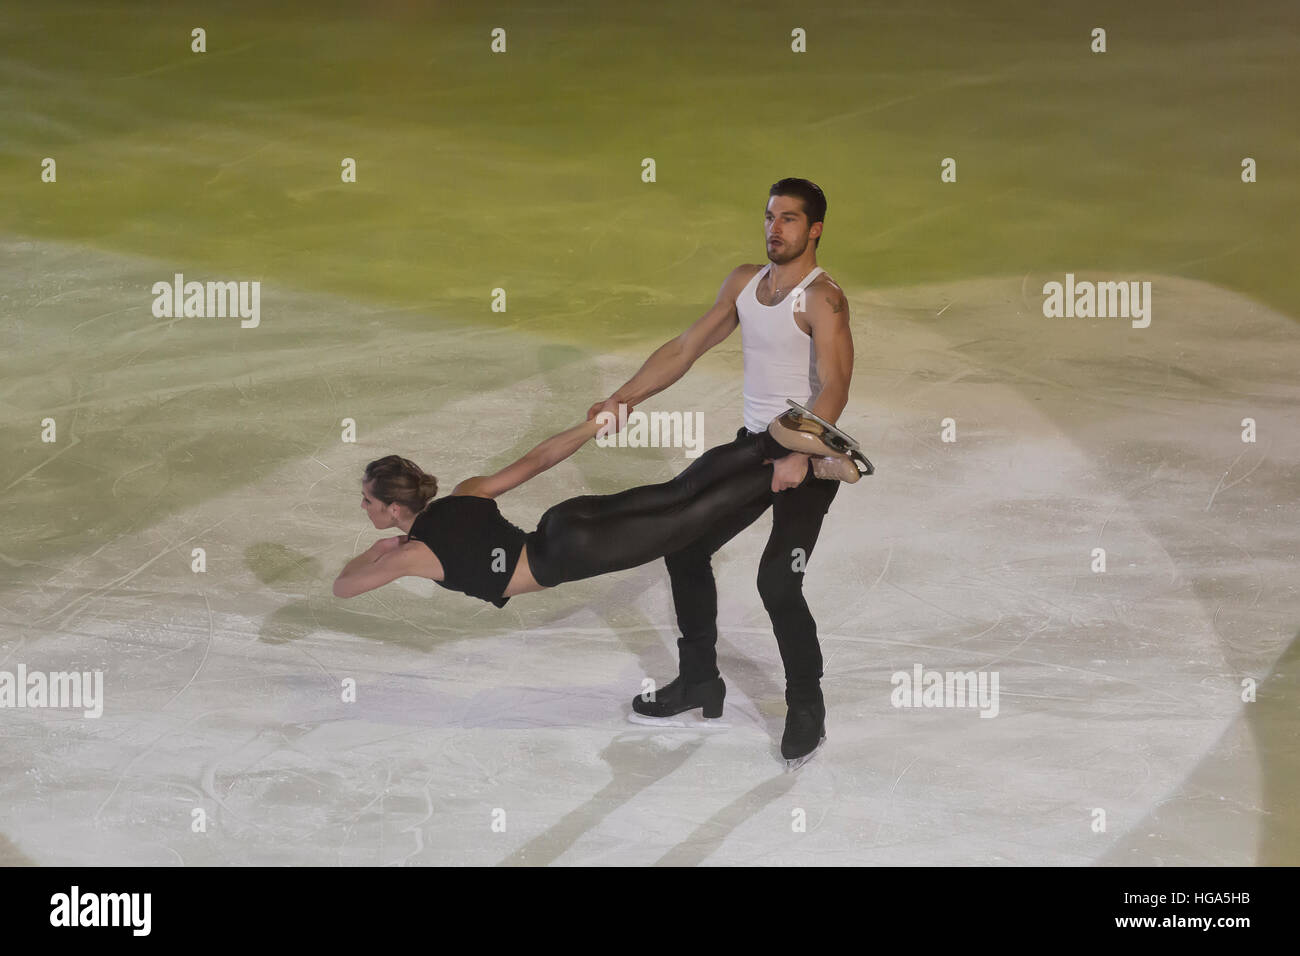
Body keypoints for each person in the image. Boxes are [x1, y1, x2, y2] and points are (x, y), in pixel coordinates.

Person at [585, 177, 854, 767]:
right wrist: (622, 399)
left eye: (788, 219)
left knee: (778, 583)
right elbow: (685, 348)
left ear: (815, 229)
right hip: (753, 449)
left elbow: (835, 385)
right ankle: (699, 681)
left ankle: (807, 707)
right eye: (768, 217)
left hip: (805, 457)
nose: (773, 229)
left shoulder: (822, 298)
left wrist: (799, 453)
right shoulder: (744, 282)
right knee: (685, 547)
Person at [332, 409, 858, 611]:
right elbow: (538, 459)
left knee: (688, 522)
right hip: (564, 520)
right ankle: (768, 444)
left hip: (572, 553)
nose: (363, 507)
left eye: (369, 501)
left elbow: (344, 587)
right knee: (679, 494)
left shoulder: (409, 553)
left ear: (395, 508)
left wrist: (380, 550)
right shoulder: (465, 493)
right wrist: (593, 424)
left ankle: (793, 458)